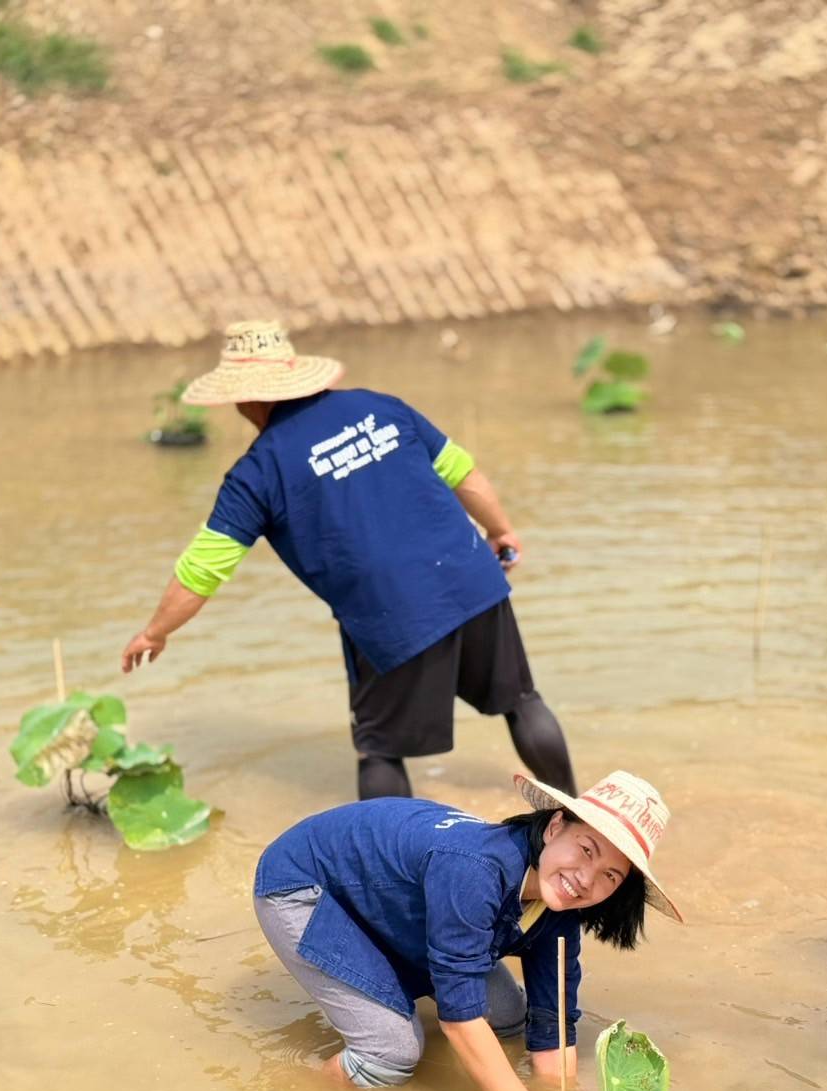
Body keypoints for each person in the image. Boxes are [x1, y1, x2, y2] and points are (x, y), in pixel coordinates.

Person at [120, 320, 575, 800]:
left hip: (389, 612)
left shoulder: (257, 472)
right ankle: (579, 815)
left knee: (380, 751)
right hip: (471, 576)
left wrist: (155, 632)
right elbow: (463, 473)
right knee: (521, 702)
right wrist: (500, 530)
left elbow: (203, 569)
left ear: (244, 399)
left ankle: (390, 849)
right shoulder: (381, 407)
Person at [253, 769, 682, 1091]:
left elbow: (553, 1026)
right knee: (390, 1055)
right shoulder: (475, 871)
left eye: (610, 875)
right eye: (587, 850)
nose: (587, 879)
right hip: (303, 885)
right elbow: (460, 1021)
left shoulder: (560, 907)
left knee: (509, 1016)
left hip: (390, 898)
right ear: (555, 827)